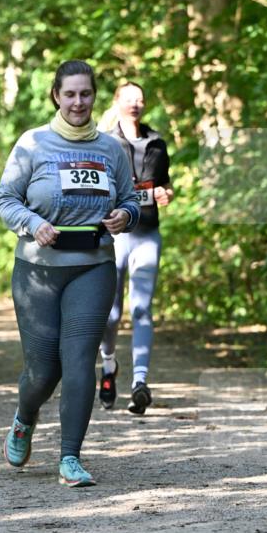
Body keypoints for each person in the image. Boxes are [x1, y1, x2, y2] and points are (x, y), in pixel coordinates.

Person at [0, 60, 140, 488]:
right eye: (70, 94)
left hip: (93, 266)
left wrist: (123, 216)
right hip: (38, 270)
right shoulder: (33, 143)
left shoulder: (111, 149)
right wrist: (31, 223)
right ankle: (25, 418)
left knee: (79, 360)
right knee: (43, 371)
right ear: (56, 96)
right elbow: (6, 199)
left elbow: (132, 200)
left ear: (95, 96)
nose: (79, 102)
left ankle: (70, 457)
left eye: (86, 94)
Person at [97, 81, 172, 414]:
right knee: (111, 314)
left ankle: (140, 383)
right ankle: (109, 365)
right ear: (116, 102)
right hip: (115, 236)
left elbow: (164, 184)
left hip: (147, 234)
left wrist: (166, 194)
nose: (136, 104)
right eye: (129, 99)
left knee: (141, 308)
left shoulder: (157, 143)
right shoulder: (105, 142)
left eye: (140, 99)